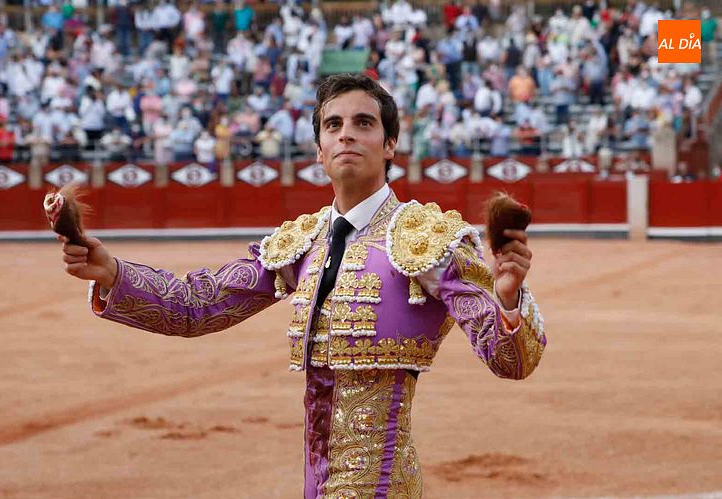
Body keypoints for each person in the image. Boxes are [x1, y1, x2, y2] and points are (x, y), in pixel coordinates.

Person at [58, 74, 546, 498]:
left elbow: (513, 361)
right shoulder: (303, 242)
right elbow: (197, 306)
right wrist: (112, 273)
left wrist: (506, 298)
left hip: (381, 486)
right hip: (316, 483)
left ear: (390, 144)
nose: (346, 136)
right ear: (318, 150)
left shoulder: (426, 239)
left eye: (364, 123)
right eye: (333, 126)